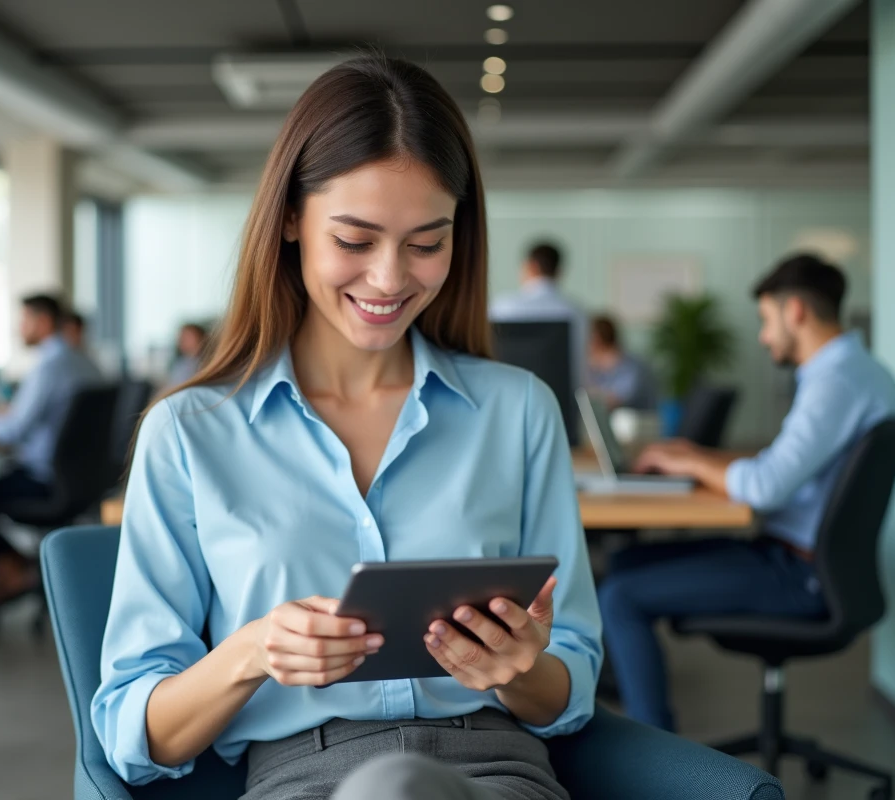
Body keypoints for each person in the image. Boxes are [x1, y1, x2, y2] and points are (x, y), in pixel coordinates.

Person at [92, 57, 601, 800]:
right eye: (356, 241)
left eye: (426, 243)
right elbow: (135, 736)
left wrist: (520, 670)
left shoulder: (518, 411)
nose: (392, 279)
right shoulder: (190, 432)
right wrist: (252, 651)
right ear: (292, 219)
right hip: (303, 779)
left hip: (497, 776)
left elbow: (573, 681)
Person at [598, 254, 895, 732]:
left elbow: (764, 487)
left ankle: (656, 756)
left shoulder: (835, 382)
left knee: (618, 597)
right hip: (801, 559)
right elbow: (780, 465)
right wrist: (697, 457)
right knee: (621, 565)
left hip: (798, 573)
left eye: (765, 319)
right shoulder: (855, 373)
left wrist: (694, 461)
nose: (763, 336)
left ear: (796, 311)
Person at [0, 293, 102, 606]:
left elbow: (14, 429)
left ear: (43, 322)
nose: (19, 328)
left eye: (24, 321)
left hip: (44, 481)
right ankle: (18, 567)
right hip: (83, 483)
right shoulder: (86, 361)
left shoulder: (49, 366)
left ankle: (14, 568)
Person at [489, 241, 588, 384]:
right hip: (564, 400)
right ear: (559, 271)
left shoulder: (502, 307)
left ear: (531, 266)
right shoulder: (577, 312)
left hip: (512, 396)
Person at [585, 314, 658, 411]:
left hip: (638, 422)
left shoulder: (631, 368)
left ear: (598, 341)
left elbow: (616, 400)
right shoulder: (598, 372)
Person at [166, 322, 207, 386]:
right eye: (181, 337)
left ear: (200, 337)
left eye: (188, 337)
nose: (182, 340)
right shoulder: (179, 364)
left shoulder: (208, 363)